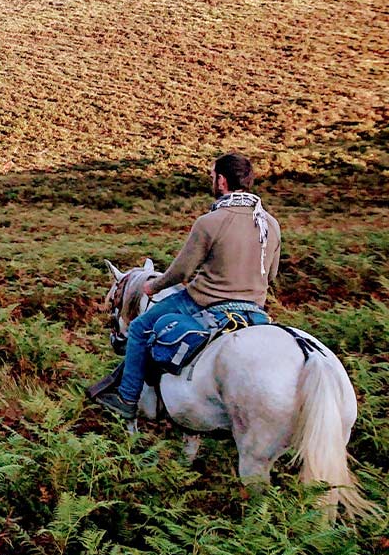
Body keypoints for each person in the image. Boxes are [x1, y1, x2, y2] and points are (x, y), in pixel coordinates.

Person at [94, 153, 281, 420]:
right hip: (254, 308)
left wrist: (153, 287)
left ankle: (127, 397)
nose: (211, 180)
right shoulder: (270, 224)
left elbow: (181, 271)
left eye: (212, 175)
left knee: (138, 328)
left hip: (206, 302)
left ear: (222, 181)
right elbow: (271, 274)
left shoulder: (210, 222)